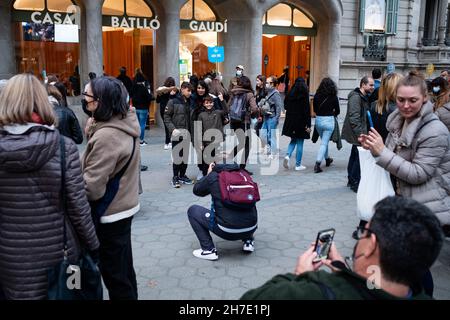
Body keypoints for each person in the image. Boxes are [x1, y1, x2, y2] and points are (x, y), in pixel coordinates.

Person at [0, 73, 99, 300]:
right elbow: (78, 208)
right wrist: (94, 247)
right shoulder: (63, 147)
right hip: (62, 255)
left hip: (10, 260)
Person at [241, 196, 443, 300]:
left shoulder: (310, 292)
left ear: (371, 245)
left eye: (364, 232)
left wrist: (299, 276)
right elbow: (379, 287)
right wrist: (345, 271)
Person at [359, 71, 450, 234]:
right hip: (406, 203)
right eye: (401, 100)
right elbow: (390, 160)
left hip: (430, 210)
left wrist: (382, 152)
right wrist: (374, 147)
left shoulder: (435, 130)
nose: (406, 105)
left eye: (412, 100)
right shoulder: (398, 122)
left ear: (424, 98)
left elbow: (418, 173)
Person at [82, 76, 141, 300]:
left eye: (87, 97)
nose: (84, 101)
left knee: (115, 275)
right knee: (124, 270)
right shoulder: (124, 122)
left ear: (101, 101)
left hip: (110, 214)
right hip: (123, 207)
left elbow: (92, 188)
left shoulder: (108, 135)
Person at [187, 163, 258, 261]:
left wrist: (208, 175)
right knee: (245, 203)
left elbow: (197, 190)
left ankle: (208, 250)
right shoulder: (244, 174)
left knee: (193, 210)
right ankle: (248, 241)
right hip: (251, 227)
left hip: (228, 231)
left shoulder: (214, 175)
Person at [342, 76, 374, 192]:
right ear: (363, 85)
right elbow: (354, 117)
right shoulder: (356, 97)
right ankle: (354, 182)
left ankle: (351, 179)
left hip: (359, 132)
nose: (372, 87)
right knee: (358, 157)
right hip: (357, 133)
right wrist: (360, 134)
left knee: (355, 155)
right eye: (370, 85)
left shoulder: (363, 96)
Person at [164, 81, 194, 188]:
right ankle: (175, 177)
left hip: (187, 133)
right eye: (188, 90)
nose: (190, 93)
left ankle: (182, 175)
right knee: (177, 156)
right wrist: (173, 129)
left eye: (191, 91)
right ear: (182, 89)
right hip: (177, 133)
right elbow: (166, 117)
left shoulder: (191, 101)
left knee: (185, 156)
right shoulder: (173, 101)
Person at [228, 76, 258, 172]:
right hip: (244, 122)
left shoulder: (233, 92)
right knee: (247, 144)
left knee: (241, 142)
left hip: (234, 122)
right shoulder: (249, 94)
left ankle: (229, 158)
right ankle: (241, 167)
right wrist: (252, 114)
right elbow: (254, 109)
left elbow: (228, 106)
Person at [282, 77, 311, 171]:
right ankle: (298, 165)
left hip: (291, 121)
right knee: (300, 142)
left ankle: (287, 156)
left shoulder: (290, 94)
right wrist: (308, 125)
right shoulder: (304, 95)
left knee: (293, 140)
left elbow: (285, 105)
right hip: (301, 122)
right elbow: (307, 111)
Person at [312, 77, 340, 173]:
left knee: (324, 141)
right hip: (329, 121)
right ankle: (317, 164)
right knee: (324, 143)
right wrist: (333, 114)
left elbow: (315, 110)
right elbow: (338, 111)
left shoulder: (316, 96)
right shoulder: (333, 97)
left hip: (318, 121)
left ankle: (327, 159)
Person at [197, 96, 228, 177]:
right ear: (204, 104)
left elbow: (226, 111)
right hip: (206, 141)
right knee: (206, 159)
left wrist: (222, 100)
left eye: (210, 102)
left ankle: (213, 174)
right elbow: (199, 129)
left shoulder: (217, 112)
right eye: (207, 103)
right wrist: (200, 143)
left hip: (216, 141)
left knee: (214, 158)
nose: (209, 104)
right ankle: (205, 175)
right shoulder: (201, 115)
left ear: (213, 103)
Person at [262, 76, 283, 158]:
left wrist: (276, 118)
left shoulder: (276, 93)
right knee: (263, 134)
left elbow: (278, 106)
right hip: (266, 117)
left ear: (272, 84)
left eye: (267, 82)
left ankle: (273, 153)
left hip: (272, 117)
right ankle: (270, 148)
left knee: (271, 135)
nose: (266, 84)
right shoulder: (268, 92)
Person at [131, 72, 153, 146]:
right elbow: (148, 97)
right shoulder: (143, 88)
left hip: (135, 108)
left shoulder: (133, 87)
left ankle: (136, 139)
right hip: (143, 108)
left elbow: (130, 95)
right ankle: (141, 140)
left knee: (136, 124)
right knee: (142, 125)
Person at [156, 77, 178, 150]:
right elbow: (175, 100)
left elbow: (157, 101)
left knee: (166, 125)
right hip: (171, 109)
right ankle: (169, 142)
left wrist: (160, 95)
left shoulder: (161, 90)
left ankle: (167, 142)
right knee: (170, 125)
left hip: (163, 109)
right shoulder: (174, 90)